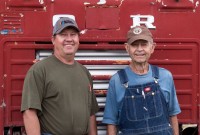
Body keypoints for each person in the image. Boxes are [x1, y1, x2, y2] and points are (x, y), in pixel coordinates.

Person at [21, 17, 99, 135]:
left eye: (73, 35)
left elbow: (91, 113)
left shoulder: (84, 72)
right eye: (63, 35)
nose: (69, 39)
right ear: (53, 40)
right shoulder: (39, 70)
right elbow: (29, 112)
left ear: (78, 39)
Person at [102, 26, 181, 135]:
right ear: (127, 48)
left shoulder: (165, 76)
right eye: (134, 45)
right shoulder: (117, 81)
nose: (139, 49)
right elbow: (111, 122)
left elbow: (173, 115)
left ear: (152, 47)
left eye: (144, 44)